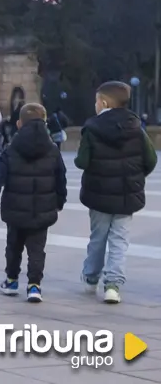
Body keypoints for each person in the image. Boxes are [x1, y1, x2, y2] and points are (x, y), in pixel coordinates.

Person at [76, 81, 157, 304]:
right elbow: (150, 160)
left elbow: (82, 161)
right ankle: (113, 285)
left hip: (98, 194)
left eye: (96, 101)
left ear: (103, 102)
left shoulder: (92, 128)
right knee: (120, 240)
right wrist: (135, 177)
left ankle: (91, 278)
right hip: (126, 195)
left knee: (98, 238)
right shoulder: (136, 128)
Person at [0, 103, 66, 303]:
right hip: (43, 209)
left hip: (15, 209)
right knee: (37, 249)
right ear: (45, 122)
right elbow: (60, 178)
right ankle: (34, 286)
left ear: (19, 124)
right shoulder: (53, 149)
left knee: (14, 246)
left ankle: (11, 281)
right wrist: (60, 201)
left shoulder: (11, 150)